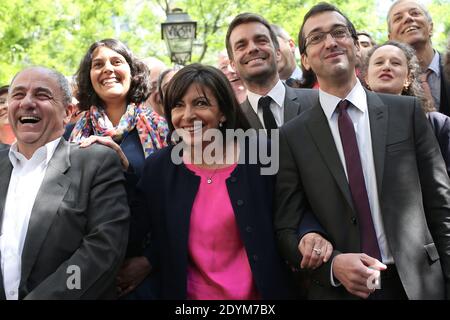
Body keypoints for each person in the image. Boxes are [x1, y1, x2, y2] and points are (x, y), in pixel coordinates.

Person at [275, 2, 450, 300]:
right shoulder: (292, 135)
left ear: (357, 47)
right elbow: (286, 227)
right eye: (316, 38)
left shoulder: (405, 112)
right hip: (342, 290)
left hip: (417, 285)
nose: (330, 42)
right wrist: (331, 265)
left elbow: (440, 204)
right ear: (304, 58)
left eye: (339, 32)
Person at [129, 63, 331, 299]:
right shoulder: (159, 168)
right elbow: (141, 229)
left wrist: (310, 233)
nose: (187, 115)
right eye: (178, 105)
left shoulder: (261, 154)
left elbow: (296, 208)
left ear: (223, 111)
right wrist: (120, 166)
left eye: (201, 103)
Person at [0, 66, 129, 299]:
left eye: (42, 95)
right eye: (18, 95)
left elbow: (102, 252)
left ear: (68, 112)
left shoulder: (95, 163)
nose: (27, 103)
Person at [66, 38, 168, 298]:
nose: (107, 69)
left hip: (150, 270)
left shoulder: (163, 130)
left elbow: (177, 202)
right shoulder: (70, 135)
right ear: (89, 77)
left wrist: (150, 260)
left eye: (116, 61)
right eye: (98, 64)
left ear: (133, 73)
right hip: (89, 270)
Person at [362, 40, 450, 176]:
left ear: (408, 78)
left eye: (395, 63)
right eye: (379, 63)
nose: (386, 67)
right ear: (366, 78)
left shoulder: (439, 124)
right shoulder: (353, 123)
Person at [225, 13, 307, 132]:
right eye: (241, 46)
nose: (252, 48)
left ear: (278, 53)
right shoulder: (231, 124)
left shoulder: (317, 103)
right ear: (233, 64)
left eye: (261, 41)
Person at [387, 0, 450, 115]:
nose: (408, 18)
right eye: (398, 18)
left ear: (430, 27)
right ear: (391, 39)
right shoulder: (387, 82)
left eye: (415, 13)